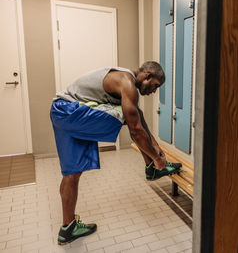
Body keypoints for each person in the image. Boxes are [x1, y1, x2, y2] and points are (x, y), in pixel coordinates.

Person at [50, 61, 182, 245]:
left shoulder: (124, 79)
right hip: (70, 111)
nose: (154, 91)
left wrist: (154, 144)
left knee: (72, 173)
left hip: (60, 111)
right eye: (155, 86)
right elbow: (136, 129)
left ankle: (68, 227)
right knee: (129, 115)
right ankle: (153, 167)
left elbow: (139, 118)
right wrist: (155, 156)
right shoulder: (127, 82)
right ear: (147, 77)